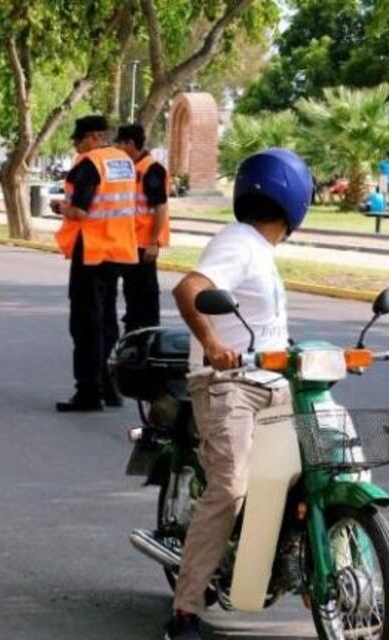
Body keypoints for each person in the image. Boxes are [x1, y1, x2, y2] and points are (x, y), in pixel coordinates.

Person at [163, 148, 312, 640]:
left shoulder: (261, 254)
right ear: (297, 198)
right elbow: (190, 289)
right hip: (228, 385)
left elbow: (262, 325)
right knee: (229, 487)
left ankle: (303, 566)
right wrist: (211, 343)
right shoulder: (240, 242)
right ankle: (185, 610)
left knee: (318, 467)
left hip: (271, 383)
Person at [50, 115, 138, 412]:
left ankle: (88, 391)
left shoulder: (89, 164)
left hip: (91, 252)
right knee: (108, 321)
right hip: (117, 250)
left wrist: (59, 206)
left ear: (92, 137)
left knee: (86, 325)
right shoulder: (124, 162)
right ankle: (108, 387)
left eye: (78, 140)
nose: (77, 146)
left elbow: (80, 212)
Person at [114, 123, 170, 332]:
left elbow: (160, 207)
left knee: (145, 294)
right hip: (131, 243)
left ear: (130, 143)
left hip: (145, 244)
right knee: (132, 292)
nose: (118, 147)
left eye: (120, 143)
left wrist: (153, 242)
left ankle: (147, 335)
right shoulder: (130, 168)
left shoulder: (151, 169)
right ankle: (134, 332)